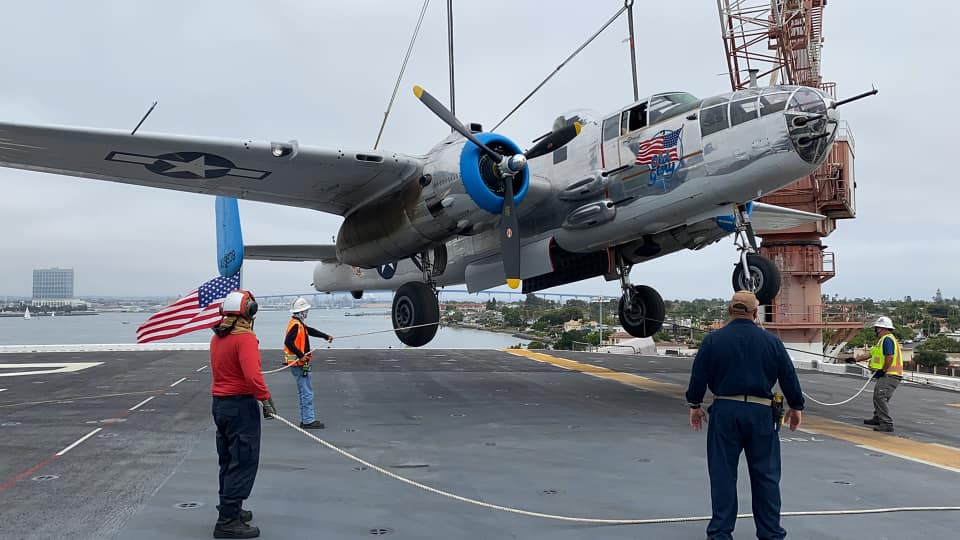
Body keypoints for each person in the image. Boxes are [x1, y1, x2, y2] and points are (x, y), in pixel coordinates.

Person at [685, 290, 804, 540]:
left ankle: (720, 533)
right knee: (766, 475)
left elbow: (699, 376)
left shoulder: (713, 340)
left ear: (730, 310)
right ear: (754, 312)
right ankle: (771, 533)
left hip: (725, 411)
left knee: (723, 474)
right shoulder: (771, 342)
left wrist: (695, 404)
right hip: (761, 413)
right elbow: (788, 376)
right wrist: (796, 406)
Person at [210, 289, 276, 539]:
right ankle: (227, 521)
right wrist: (265, 399)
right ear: (249, 312)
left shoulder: (217, 338)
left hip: (220, 405)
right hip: (240, 407)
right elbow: (252, 376)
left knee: (228, 459)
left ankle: (231, 508)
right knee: (244, 460)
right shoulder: (245, 339)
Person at [283, 297, 334, 429]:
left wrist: (325, 336)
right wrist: (301, 356)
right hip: (299, 364)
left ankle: (306, 418)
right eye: (305, 310)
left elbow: (310, 330)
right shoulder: (295, 325)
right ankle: (308, 420)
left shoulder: (298, 324)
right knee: (307, 392)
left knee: (304, 391)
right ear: (300, 312)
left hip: (299, 364)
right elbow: (288, 342)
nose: (307, 313)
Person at [854, 316, 902, 432]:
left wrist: (883, 370)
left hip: (890, 374)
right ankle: (878, 418)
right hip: (887, 374)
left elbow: (889, 358)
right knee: (879, 396)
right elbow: (871, 354)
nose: (875, 330)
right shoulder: (882, 341)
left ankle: (886, 423)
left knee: (880, 396)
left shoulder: (887, 340)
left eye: (876, 328)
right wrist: (855, 359)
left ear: (881, 328)